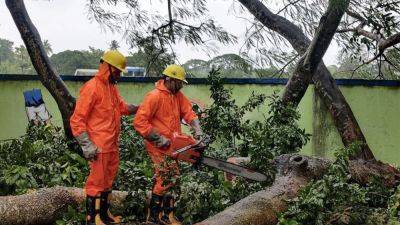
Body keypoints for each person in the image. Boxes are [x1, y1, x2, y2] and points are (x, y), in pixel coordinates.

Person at [70, 50, 138, 225]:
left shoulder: (111, 88)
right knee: (96, 183)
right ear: (107, 67)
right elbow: (77, 120)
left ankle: (104, 215)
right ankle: (92, 218)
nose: (119, 75)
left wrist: (141, 108)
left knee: (107, 182)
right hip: (98, 146)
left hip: (112, 145)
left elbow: (122, 107)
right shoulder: (91, 87)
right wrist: (87, 145)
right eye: (117, 71)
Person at [134, 64, 203, 225]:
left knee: (173, 177)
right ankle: (154, 218)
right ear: (169, 79)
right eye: (178, 82)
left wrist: (197, 129)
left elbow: (188, 112)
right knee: (165, 177)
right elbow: (139, 122)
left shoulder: (177, 96)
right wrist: (158, 138)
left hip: (173, 144)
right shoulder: (154, 96)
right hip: (157, 144)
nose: (180, 86)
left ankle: (167, 216)